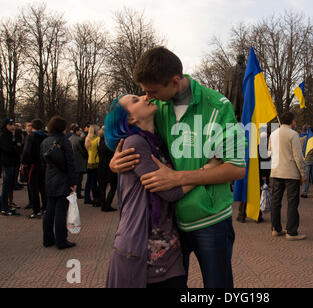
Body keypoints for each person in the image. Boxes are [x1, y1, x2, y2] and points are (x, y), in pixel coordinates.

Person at [109, 47, 246, 288]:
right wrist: (115, 161)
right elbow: (131, 137)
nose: (147, 97)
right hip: (170, 225)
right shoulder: (157, 107)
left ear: (174, 81)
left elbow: (236, 169)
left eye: (152, 91)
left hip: (210, 220)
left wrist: (178, 178)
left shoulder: (218, 106)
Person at [268, 111, 307, 241]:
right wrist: (303, 173)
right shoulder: (293, 134)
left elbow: (269, 152)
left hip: (276, 171)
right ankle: (291, 231)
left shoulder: (273, 134)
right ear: (292, 121)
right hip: (290, 172)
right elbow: (298, 156)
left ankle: (276, 228)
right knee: (292, 202)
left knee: (276, 201)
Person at [41, 116, 77, 249]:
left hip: (49, 178)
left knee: (49, 210)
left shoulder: (45, 141)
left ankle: (47, 238)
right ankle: (61, 240)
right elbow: (70, 162)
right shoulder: (64, 141)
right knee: (61, 211)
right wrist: (73, 181)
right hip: (62, 179)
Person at [21, 119, 47, 219]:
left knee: (33, 187)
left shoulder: (30, 137)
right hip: (43, 164)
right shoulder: (45, 136)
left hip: (32, 165)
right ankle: (45, 207)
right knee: (42, 187)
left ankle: (36, 210)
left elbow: (27, 151)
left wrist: (24, 162)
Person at [0, 118, 21, 216]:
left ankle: (6, 205)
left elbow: (18, 146)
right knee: (6, 185)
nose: (13, 126)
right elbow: (9, 149)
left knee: (9, 186)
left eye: (13, 124)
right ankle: (4, 207)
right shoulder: (3, 136)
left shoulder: (11, 135)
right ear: (6, 125)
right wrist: (16, 148)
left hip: (12, 163)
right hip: (7, 163)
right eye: (10, 124)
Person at [97, 127, 118, 212]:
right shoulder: (111, 143)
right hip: (110, 167)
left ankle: (103, 204)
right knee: (113, 187)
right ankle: (107, 204)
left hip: (101, 166)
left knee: (102, 187)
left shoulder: (100, 142)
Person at [69, 126, 88, 199]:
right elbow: (82, 151)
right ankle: (78, 193)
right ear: (77, 131)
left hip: (73, 160)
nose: (81, 132)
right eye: (80, 131)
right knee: (79, 179)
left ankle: (73, 192)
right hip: (79, 161)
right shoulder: (79, 140)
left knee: (74, 178)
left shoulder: (69, 139)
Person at [301, 126, 313, 199]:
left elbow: (301, 149)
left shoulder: (304, 138)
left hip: (307, 160)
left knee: (306, 177)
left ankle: (305, 192)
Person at [84, 125, 100, 206]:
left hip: (89, 161)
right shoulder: (97, 139)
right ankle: (96, 197)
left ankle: (87, 197)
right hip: (96, 161)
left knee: (89, 181)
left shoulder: (87, 140)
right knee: (96, 181)